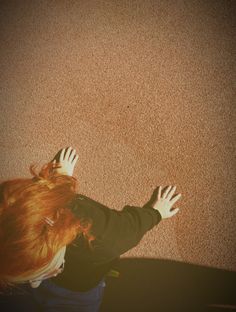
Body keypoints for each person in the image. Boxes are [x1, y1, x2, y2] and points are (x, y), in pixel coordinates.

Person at [0, 146, 182, 311]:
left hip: (75, 291)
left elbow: (129, 230)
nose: (34, 283)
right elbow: (31, 200)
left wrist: (154, 213)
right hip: (77, 283)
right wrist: (59, 180)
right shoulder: (21, 207)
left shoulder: (98, 235)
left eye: (34, 276)